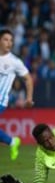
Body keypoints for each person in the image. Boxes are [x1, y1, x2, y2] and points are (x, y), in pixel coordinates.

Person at [0, 29, 34, 160]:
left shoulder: (14, 62)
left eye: (11, 40)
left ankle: (12, 142)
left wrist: (29, 98)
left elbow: (28, 79)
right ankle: (12, 142)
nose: (9, 43)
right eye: (5, 39)